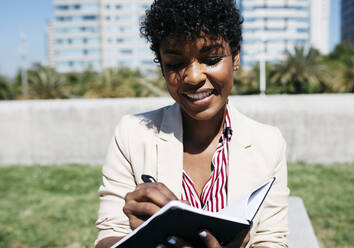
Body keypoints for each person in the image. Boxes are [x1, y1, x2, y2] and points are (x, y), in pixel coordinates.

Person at [95, 0, 289, 247]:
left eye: (211, 58)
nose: (194, 77)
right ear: (162, 68)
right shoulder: (132, 134)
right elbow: (108, 235)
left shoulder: (268, 144)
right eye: (175, 64)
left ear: (236, 56)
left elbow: (272, 240)